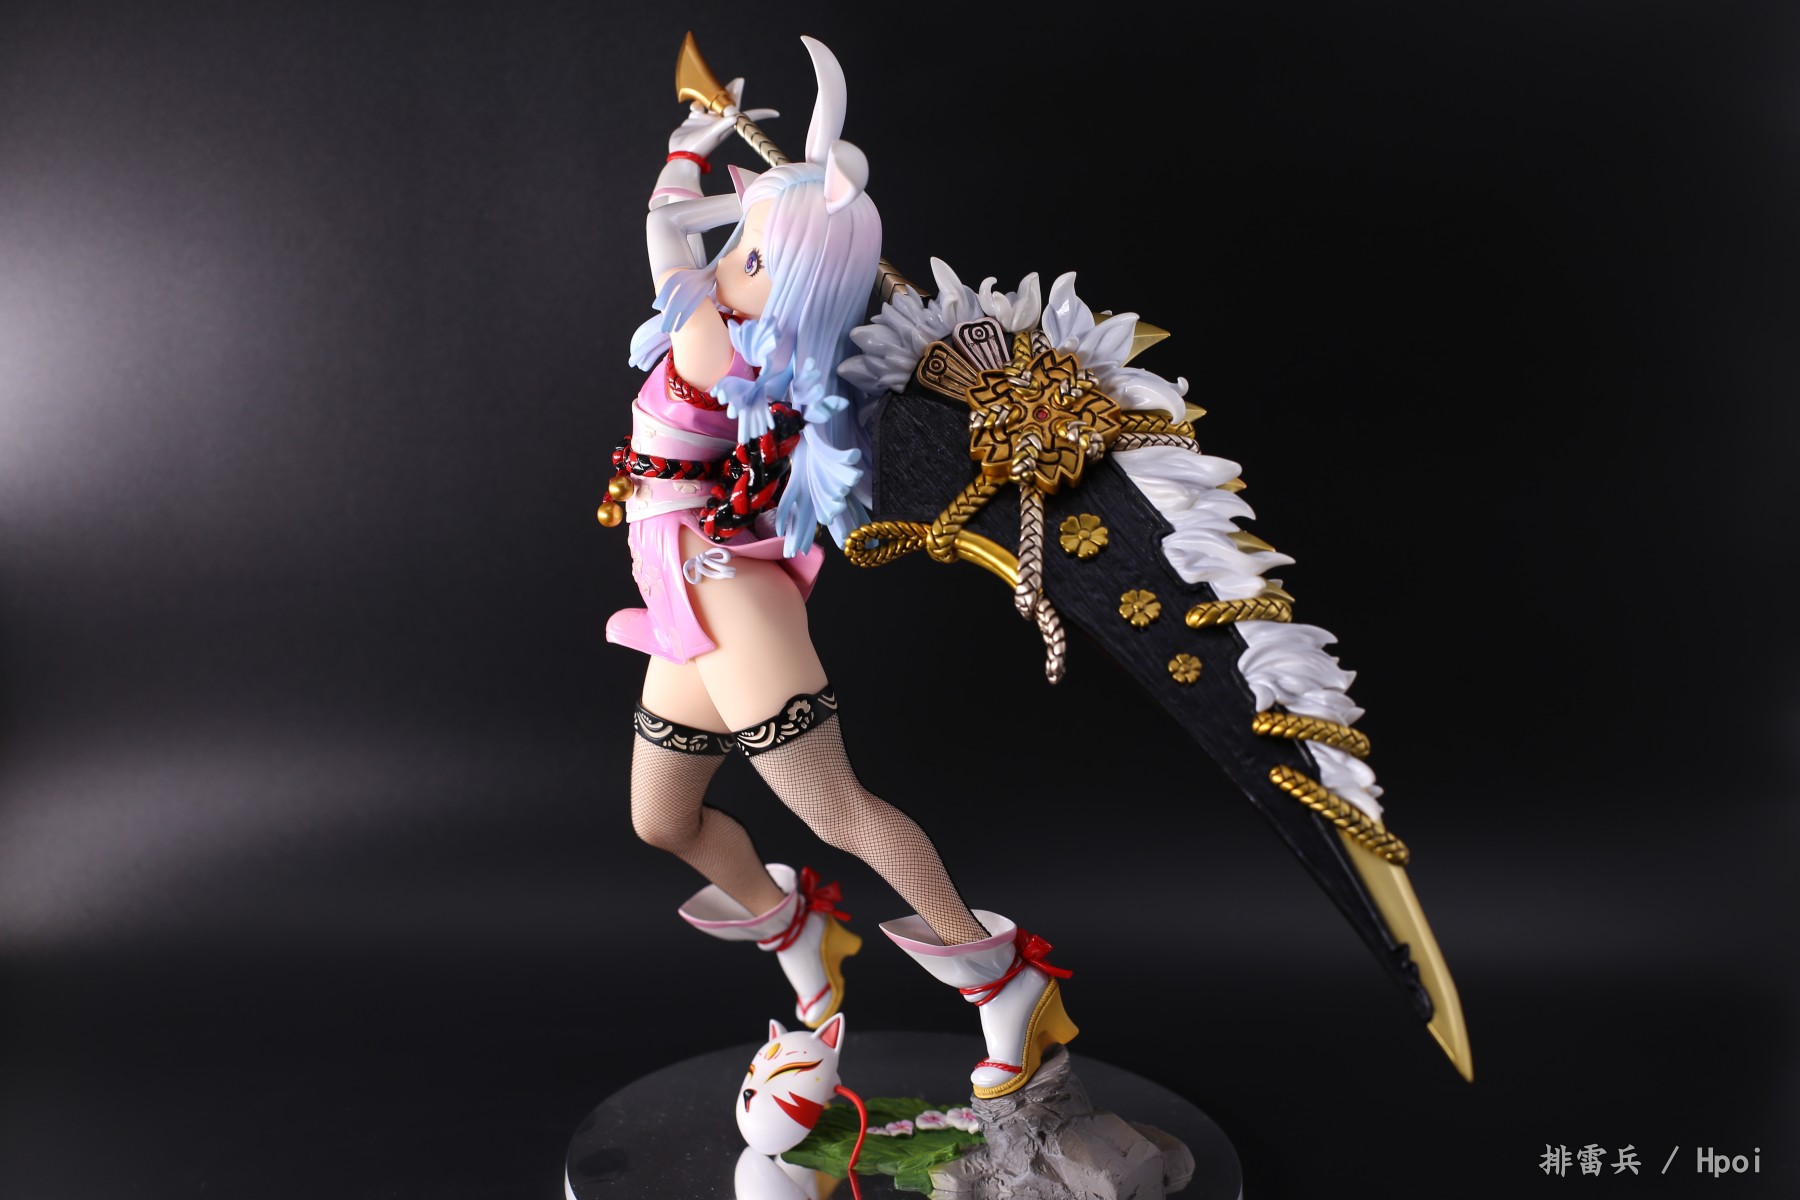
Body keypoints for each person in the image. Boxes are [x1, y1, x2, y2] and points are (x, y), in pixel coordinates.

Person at [602, 36, 1073, 1099]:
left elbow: (665, 240)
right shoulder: (758, 343)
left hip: (726, 594)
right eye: (744, 247)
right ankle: (804, 939)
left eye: (757, 256)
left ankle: (1004, 985)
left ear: (796, 286)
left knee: (839, 811)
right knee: (663, 820)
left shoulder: (715, 343)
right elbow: (684, 242)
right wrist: (737, 181)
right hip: (683, 590)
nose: (733, 262)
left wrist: (685, 158)